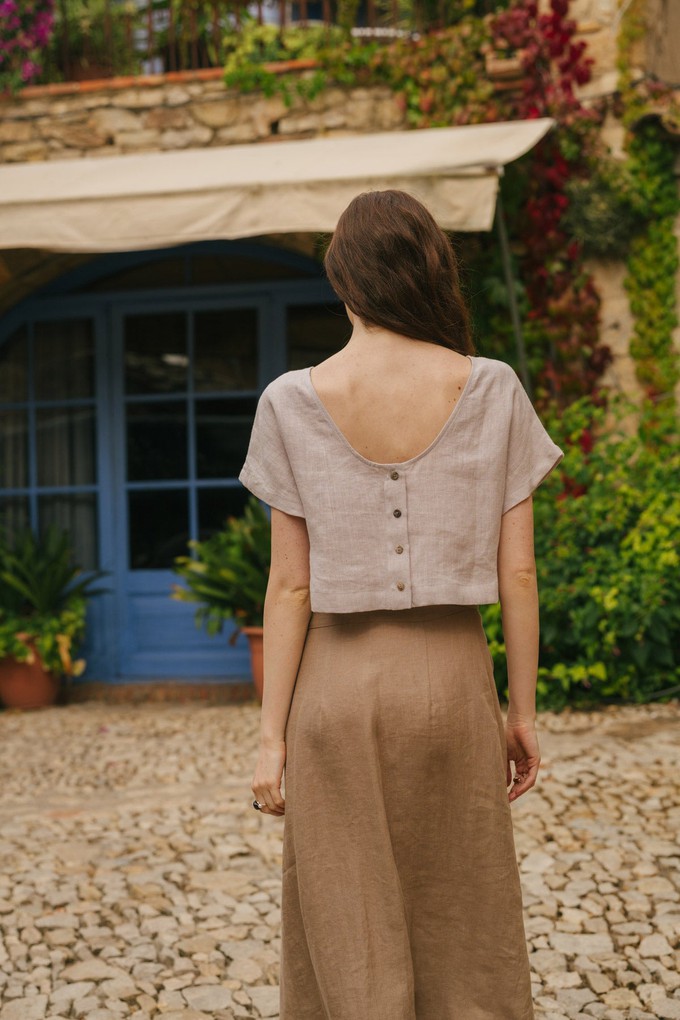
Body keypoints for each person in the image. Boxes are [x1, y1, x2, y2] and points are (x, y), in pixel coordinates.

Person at [238, 188, 564, 1020]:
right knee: (466, 922)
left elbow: (290, 586)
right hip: (454, 684)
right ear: (429, 271)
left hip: (336, 693)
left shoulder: (289, 400)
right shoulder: (490, 387)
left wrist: (271, 738)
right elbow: (519, 576)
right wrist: (521, 712)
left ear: (343, 278)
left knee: (349, 930)